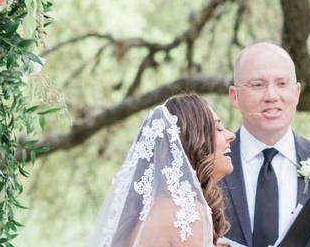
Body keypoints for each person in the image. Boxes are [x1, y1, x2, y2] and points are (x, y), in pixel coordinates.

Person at [220, 42, 310, 247]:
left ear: (297, 92)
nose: (271, 96)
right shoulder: (207, 166)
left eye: (282, 84)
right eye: (258, 85)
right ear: (235, 96)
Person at [87, 93, 236, 247]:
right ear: (195, 141)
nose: (231, 135)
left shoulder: (146, 216)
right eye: (218, 128)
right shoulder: (186, 213)